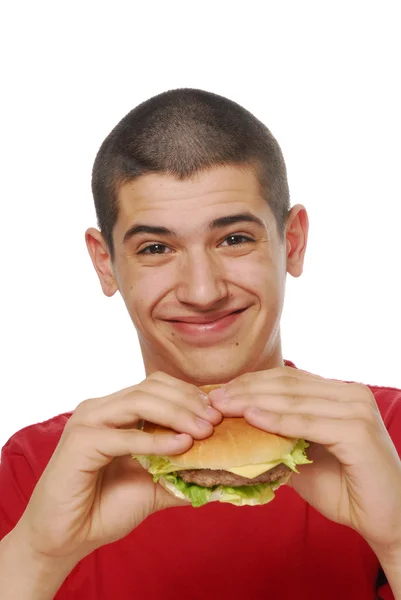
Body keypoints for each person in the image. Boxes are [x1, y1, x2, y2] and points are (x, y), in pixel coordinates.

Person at [0, 88, 400, 600]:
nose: (203, 291)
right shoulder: (39, 467)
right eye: (156, 248)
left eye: (234, 239)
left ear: (292, 242)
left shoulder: (386, 432)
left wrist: (397, 536)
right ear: (106, 264)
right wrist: (37, 555)